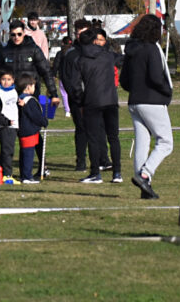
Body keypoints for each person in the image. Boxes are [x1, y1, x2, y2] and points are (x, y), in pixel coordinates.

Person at [0, 19, 58, 178]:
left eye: (19, 34)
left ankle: (42, 165)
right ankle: (5, 170)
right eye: (13, 35)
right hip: (11, 99)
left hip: (30, 98)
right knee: (8, 134)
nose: (16, 37)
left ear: (24, 33)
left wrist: (53, 93)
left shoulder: (33, 49)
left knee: (33, 133)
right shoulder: (4, 51)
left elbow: (46, 72)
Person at [122, 14, 173, 199]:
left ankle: (144, 186)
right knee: (166, 142)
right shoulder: (151, 49)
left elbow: (124, 80)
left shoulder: (130, 49)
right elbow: (155, 77)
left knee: (142, 142)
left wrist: (136, 89)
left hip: (134, 101)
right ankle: (145, 174)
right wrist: (166, 91)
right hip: (152, 101)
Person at [76, 28, 122, 184]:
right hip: (110, 100)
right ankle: (117, 172)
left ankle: (95, 172)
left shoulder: (81, 60)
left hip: (92, 101)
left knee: (94, 139)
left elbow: (77, 86)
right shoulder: (108, 56)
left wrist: (80, 101)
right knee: (113, 137)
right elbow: (122, 60)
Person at [59, 19, 105, 172]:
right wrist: (77, 97)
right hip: (78, 99)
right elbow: (66, 78)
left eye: (83, 32)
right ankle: (81, 161)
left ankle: (102, 159)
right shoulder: (71, 54)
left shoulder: (97, 51)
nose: (80, 35)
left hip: (95, 97)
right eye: (77, 33)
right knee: (81, 129)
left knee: (98, 128)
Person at [16, 73, 48, 184]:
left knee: (24, 153)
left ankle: (23, 175)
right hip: (29, 130)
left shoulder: (19, 99)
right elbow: (36, 116)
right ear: (28, 87)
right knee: (28, 154)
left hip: (22, 130)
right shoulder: (30, 101)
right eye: (34, 86)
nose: (35, 88)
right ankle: (27, 176)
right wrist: (44, 122)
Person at [0, 69, 19, 181]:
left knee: (7, 150)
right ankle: (7, 175)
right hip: (5, 125)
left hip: (14, 125)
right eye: (3, 79)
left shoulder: (14, 91)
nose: (6, 82)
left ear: (13, 80)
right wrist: (6, 121)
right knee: (8, 151)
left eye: (9, 79)